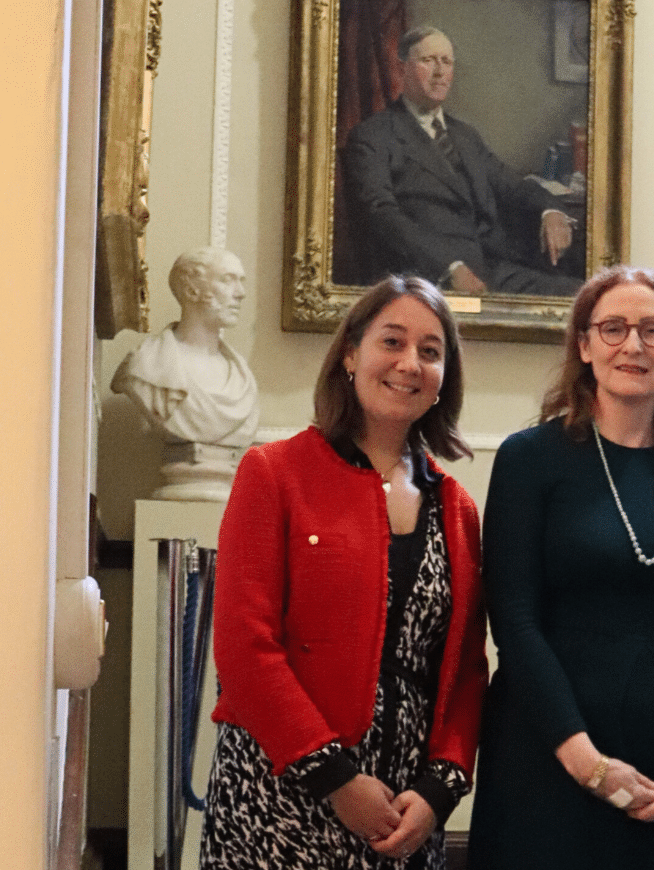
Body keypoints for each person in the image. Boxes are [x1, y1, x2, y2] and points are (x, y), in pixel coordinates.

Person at [199, 276, 489, 870]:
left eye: (431, 352)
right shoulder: (273, 473)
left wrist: (439, 793)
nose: (410, 364)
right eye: (393, 341)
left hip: (406, 811)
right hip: (281, 790)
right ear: (351, 353)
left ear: (443, 379)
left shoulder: (456, 508)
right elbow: (243, 649)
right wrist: (335, 779)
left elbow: (463, 672)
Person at [468, 265, 654, 869]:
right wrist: (586, 762)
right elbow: (514, 621)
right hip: (550, 752)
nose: (633, 345)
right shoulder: (529, 459)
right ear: (584, 345)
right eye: (614, 327)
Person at [343, 26, 582, 296]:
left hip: (495, 268)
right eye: (428, 60)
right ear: (402, 69)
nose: (439, 71)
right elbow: (382, 215)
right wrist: (449, 267)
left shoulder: (465, 136)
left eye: (446, 62)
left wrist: (551, 210)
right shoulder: (374, 135)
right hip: (430, 281)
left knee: (582, 295)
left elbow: (511, 183)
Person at [111, 247, 259, 448]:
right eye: (227, 280)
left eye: (241, 281)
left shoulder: (242, 378)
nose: (241, 293)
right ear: (191, 290)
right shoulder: (146, 365)